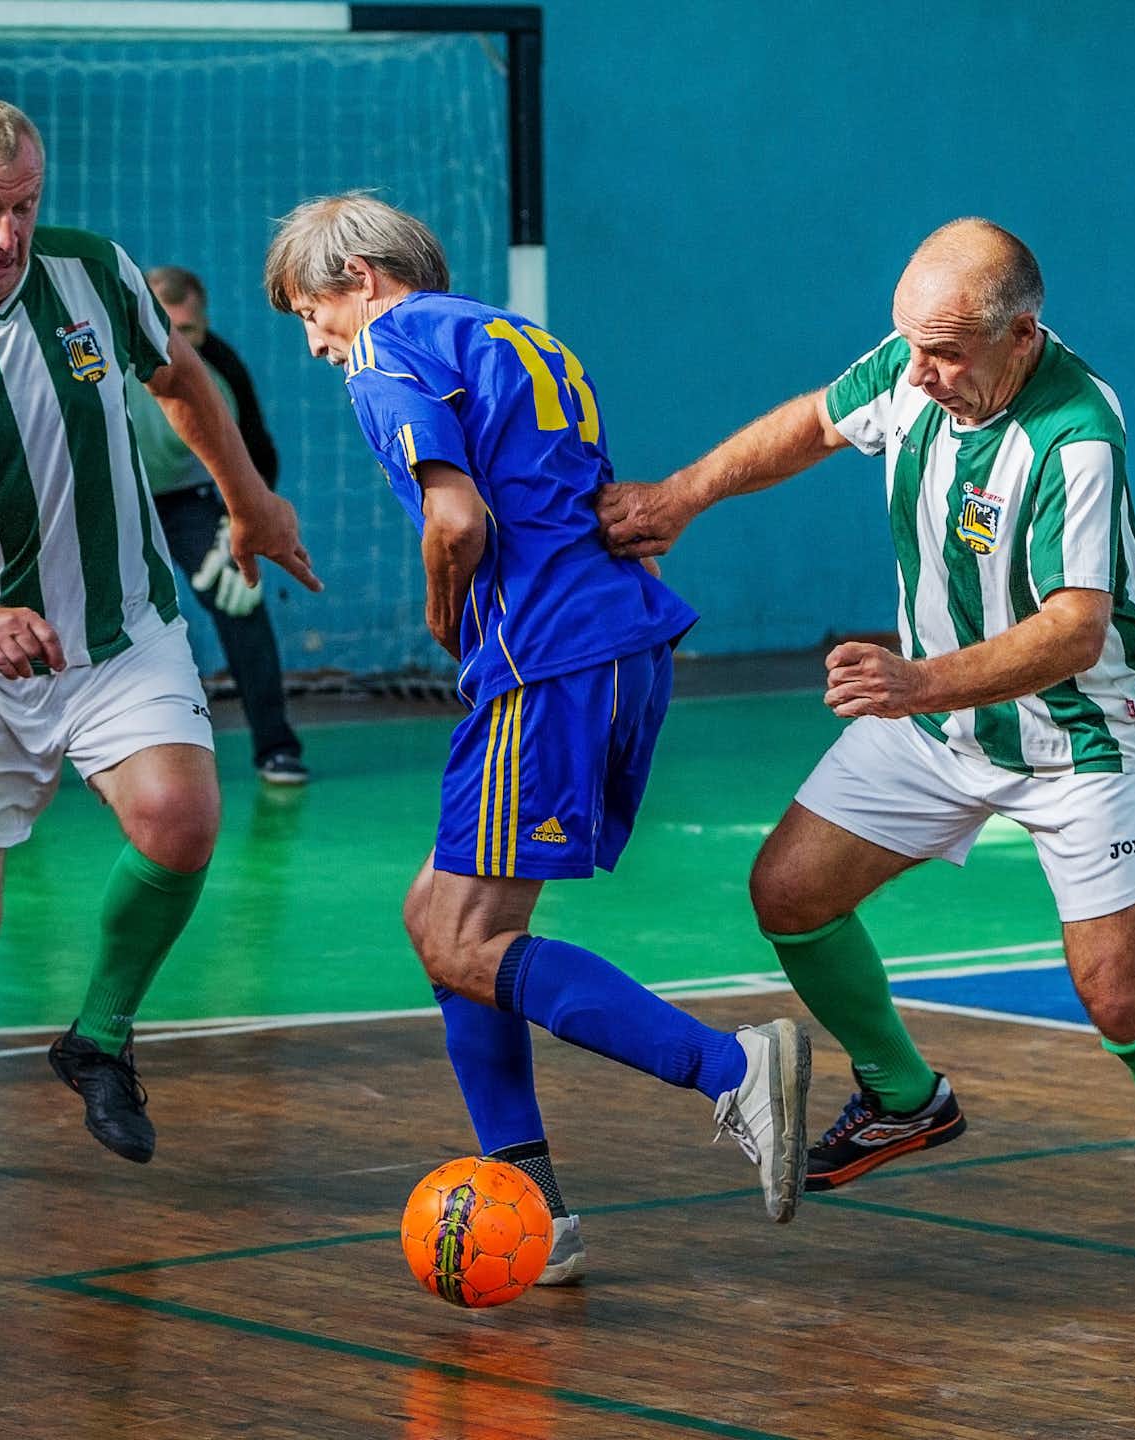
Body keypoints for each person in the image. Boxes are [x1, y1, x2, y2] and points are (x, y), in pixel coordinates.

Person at [598, 218, 1135, 1291]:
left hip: (1079, 736)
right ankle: (905, 1098)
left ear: (1021, 336)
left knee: (1118, 995)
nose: (920, 372)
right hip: (939, 716)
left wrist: (912, 680)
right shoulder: (916, 364)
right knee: (790, 890)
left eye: (948, 353)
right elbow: (814, 425)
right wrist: (682, 495)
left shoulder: (1074, 433)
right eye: (911, 345)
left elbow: (1074, 630)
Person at [265, 193, 813, 1284]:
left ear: (360, 278)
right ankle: (534, 1205)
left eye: (306, 312)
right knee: (439, 920)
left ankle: (729, 1067)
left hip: (544, 661)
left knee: (465, 940)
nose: (315, 343)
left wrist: (438, 607)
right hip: (614, 640)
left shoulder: (387, 351)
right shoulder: (520, 337)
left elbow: (457, 519)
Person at [0, 98, 320, 1197]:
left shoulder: (92, 273)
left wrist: (248, 501)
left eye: (22, 206)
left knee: (181, 818)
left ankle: (98, 1037)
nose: (5, 234)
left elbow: (181, 381)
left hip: (119, 627)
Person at [132, 265, 308, 785]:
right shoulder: (100, 357)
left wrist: (237, 525)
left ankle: (276, 747)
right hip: (119, 495)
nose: (179, 344)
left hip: (193, 499)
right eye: (169, 330)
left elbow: (257, 450)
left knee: (241, 597)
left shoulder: (221, 364)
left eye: (190, 332)